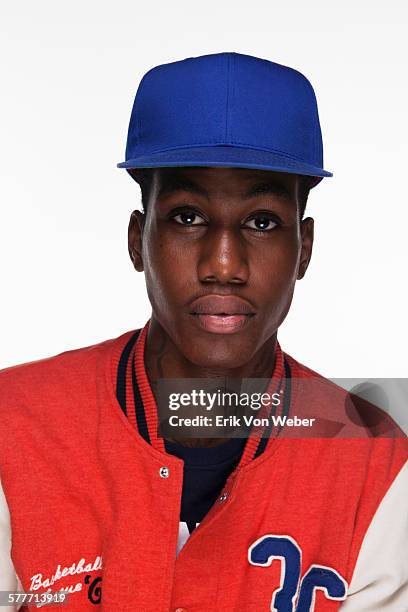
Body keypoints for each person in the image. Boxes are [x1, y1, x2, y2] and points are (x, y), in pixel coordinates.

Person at [0, 52, 406, 612]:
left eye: (261, 222)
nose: (223, 264)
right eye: (188, 216)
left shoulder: (379, 466)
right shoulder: (12, 425)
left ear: (304, 249)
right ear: (137, 239)